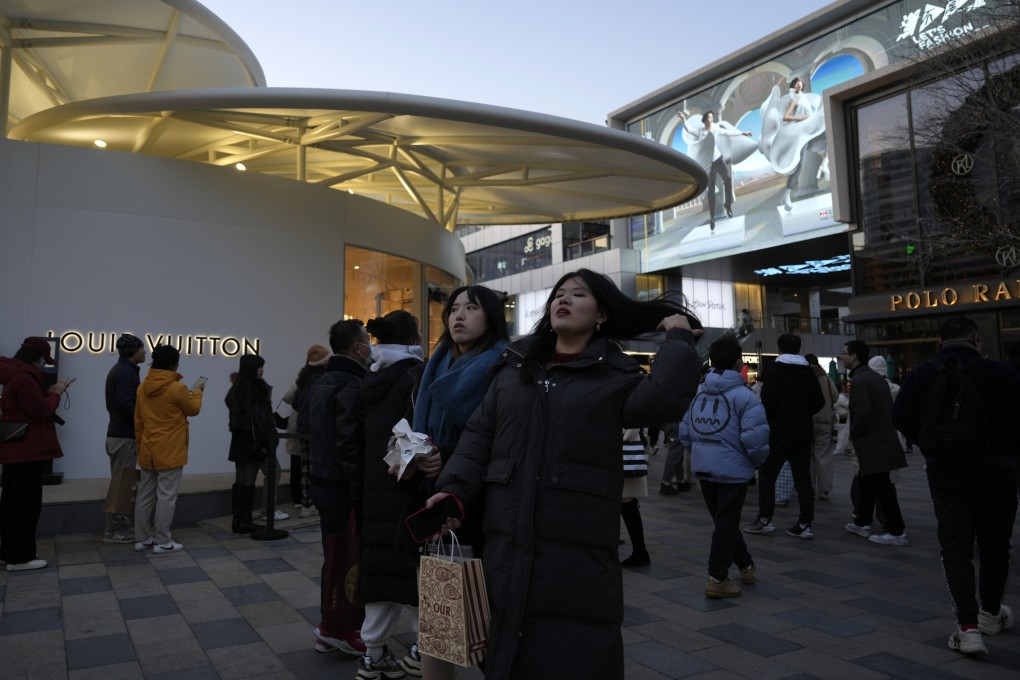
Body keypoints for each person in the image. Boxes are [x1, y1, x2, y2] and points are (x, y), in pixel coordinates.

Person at [429, 269, 704, 680]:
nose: (565, 299)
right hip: (505, 544)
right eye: (560, 293)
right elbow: (478, 436)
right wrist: (453, 490)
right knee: (506, 651)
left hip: (576, 548)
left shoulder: (615, 375)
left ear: (601, 315)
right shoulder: (514, 369)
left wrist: (679, 338)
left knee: (572, 650)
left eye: (579, 294)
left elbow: (660, 401)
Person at [892, 317, 1018, 657]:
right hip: (998, 471)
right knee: (995, 545)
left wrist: (931, 443)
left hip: (945, 472)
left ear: (939, 342)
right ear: (977, 340)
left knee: (956, 547)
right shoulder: (1002, 373)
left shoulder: (921, 373)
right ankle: (990, 613)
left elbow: (900, 416)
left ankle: (967, 628)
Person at [358, 311, 426, 679]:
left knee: (380, 568)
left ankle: (372, 654)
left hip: (374, 489)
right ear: (414, 337)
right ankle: (421, 650)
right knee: (417, 566)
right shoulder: (416, 374)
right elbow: (415, 431)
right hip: (406, 485)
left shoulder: (372, 376)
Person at [680, 335, 769, 598]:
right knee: (726, 524)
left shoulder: (697, 393)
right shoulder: (746, 397)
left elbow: (685, 431)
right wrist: (755, 464)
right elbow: (755, 440)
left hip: (704, 468)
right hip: (734, 470)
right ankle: (717, 577)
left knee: (724, 523)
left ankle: (745, 564)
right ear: (739, 363)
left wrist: (700, 452)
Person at [308, 319, 372, 656]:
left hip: (321, 480)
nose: (370, 346)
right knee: (348, 557)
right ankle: (342, 628)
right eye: (366, 341)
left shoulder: (323, 382)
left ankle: (329, 625)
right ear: (356, 347)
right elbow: (350, 444)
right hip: (341, 486)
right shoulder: (351, 385)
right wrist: (358, 491)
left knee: (333, 555)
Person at [0, 337, 73, 571]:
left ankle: (10, 552)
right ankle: (20, 557)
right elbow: (42, 411)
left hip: (15, 450)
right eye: (43, 359)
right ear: (36, 357)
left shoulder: (14, 376)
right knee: (26, 505)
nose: (44, 364)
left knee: (12, 503)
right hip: (28, 450)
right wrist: (57, 393)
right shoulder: (24, 379)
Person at [746, 334, 823, 539]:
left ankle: (765, 519)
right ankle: (805, 522)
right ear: (798, 349)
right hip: (803, 431)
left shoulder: (775, 369)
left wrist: (778, 414)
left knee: (768, 473)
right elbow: (819, 401)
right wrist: (803, 412)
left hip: (779, 431)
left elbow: (768, 400)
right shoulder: (808, 371)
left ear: (779, 348)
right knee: (802, 477)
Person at [133, 344, 203, 554]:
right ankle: (163, 541)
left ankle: (142, 539)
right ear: (174, 363)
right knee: (166, 496)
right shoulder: (177, 388)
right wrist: (198, 392)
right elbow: (193, 409)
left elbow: (138, 422)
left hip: (148, 448)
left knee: (145, 494)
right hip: (171, 449)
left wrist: (140, 446)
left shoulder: (142, 387)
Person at [840, 340, 908, 546]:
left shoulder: (860, 380)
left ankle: (896, 531)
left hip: (872, 442)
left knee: (881, 485)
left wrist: (854, 434)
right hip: (882, 439)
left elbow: (862, 414)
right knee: (867, 481)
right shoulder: (875, 377)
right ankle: (862, 522)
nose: (841, 356)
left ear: (854, 356)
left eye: (844, 353)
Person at [225, 354, 280, 535]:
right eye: (259, 367)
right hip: (254, 440)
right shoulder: (257, 388)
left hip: (239, 439)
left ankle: (237, 520)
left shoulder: (236, 388)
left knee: (240, 480)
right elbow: (263, 417)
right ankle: (245, 521)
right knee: (249, 480)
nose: (262, 370)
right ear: (253, 368)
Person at [758, 76, 827, 211]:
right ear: (793, 86)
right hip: (799, 134)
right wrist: (799, 118)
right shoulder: (794, 99)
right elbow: (786, 117)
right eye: (796, 84)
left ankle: (825, 163)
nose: (799, 85)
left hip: (808, 131)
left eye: (800, 83)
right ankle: (788, 193)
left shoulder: (805, 98)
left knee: (828, 137)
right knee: (799, 165)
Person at [677, 110, 754, 230]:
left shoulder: (716, 128)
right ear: (704, 121)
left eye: (712, 117)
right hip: (710, 164)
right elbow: (689, 129)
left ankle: (728, 205)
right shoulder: (700, 132)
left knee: (727, 179)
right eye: (709, 118)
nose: (711, 120)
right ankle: (712, 218)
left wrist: (742, 133)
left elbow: (728, 133)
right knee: (711, 191)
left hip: (719, 159)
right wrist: (683, 119)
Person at [103, 333, 146, 544]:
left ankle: (118, 526)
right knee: (122, 483)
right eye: (142, 348)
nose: (145, 352)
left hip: (119, 434)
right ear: (132, 352)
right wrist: (143, 422)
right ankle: (115, 530)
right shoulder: (126, 373)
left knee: (120, 480)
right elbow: (126, 405)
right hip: (123, 436)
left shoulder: (123, 370)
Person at [280, 344, 330, 518]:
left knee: (305, 467)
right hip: (318, 428)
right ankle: (314, 502)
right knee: (318, 467)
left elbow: (293, 402)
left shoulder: (303, 379)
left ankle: (305, 503)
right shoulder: (324, 380)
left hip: (302, 427)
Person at [805, 353, 838, 501]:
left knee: (809, 456)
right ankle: (824, 490)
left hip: (807, 421)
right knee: (823, 456)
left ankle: (809, 487)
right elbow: (835, 397)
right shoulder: (827, 378)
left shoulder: (804, 377)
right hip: (825, 422)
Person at [620, 428, 651, 568]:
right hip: (613, 449)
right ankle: (639, 552)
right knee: (623, 503)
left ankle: (640, 552)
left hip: (621, 451)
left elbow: (634, 423)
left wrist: (624, 437)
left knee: (627, 502)